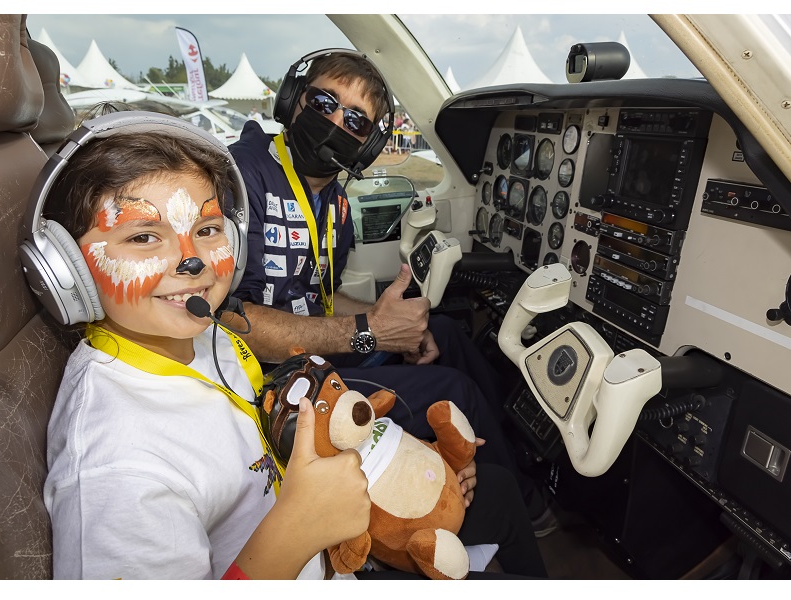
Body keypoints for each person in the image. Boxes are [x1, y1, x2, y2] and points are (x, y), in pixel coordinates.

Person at [35, 113, 546, 579]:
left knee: (492, 488)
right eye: (144, 237)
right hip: (310, 549)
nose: (193, 263)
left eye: (208, 229)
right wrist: (301, 527)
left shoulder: (206, 336)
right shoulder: (116, 467)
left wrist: (411, 459)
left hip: (326, 537)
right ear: (66, 269)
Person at [226, 49, 554, 529]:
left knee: (446, 333)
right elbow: (234, 324)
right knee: (454, 389)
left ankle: (510, 456)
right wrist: (372, 333)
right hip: (275, 383)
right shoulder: (243, 176)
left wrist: (395, 325)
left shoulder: (335, 202)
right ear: (294, 100)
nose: (336, 121)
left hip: (312, 353)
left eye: (356, 119)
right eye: (324, 104)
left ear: (366, 143)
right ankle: (517, 502)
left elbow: (322, 295)